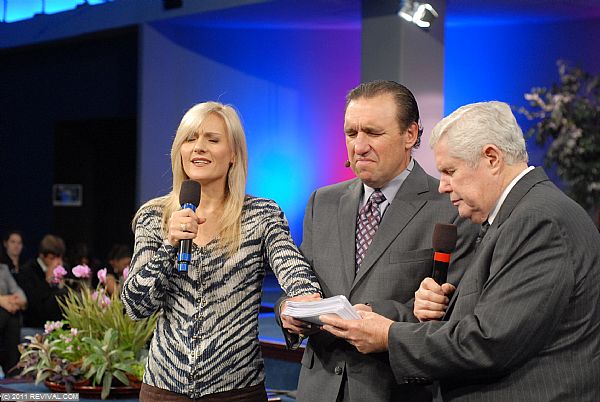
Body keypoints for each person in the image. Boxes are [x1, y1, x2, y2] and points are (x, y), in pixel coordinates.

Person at [319, 101, 600, 401]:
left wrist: (389, 336)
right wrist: (438, 308)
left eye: (450, 171)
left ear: (491, 158)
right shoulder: (515, 216)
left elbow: (490, 342)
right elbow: (496, 318)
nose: (442, 186)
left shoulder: (538, 221)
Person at [277, 80, 478, 402]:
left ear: (410, 135)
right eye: (351, 133)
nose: (359, 146)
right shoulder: (321, 202)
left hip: (394, 390)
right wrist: (287, 310)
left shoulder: (451, 207)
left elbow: (456, 318)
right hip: (318, 389)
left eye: (373, 132)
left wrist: (372, 315)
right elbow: (299, 283)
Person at [121, 101, 321, 401]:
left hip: (237, 391)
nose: (199, 147)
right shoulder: (155, 216)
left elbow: (292, 268)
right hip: (164, 390)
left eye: (212, 140)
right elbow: (135, 306)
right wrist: (169, 246)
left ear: (233, 155)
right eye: (190, 138)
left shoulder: (260, 215)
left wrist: (305, 300)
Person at [17, 234, 67, 328]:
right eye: (52, 258)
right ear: (42, 256)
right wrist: (47, 281)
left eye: (60, 258)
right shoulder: (27, 271)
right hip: (37, 320)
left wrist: (62, 282)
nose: (57, 262)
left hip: (61, 318)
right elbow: (31, 303)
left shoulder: (65, 268)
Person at [0, 262, 27, 376]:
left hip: (7, 312)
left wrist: (16, 301)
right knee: (4, 314)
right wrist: (2, 300)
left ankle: (12, 370)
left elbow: (21, 295)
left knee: (12, 319)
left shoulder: (3, 268)